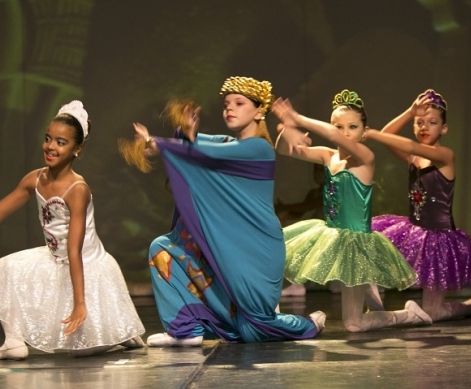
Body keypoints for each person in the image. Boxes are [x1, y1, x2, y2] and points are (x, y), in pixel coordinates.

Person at [122, 76, 324, 346]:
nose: (229, 108)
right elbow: (202, 145)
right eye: (226, 103)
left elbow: (206, 153)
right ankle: (185, 329)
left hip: (256, 249)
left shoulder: (259, 149)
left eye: (239, 103)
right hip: (227, 244)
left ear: (259, 110)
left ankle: (309, 324)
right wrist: (185, 134)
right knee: (162, 248)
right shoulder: (227, 142)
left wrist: (161, 143)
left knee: (255, 328)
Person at [0, 101, 145, 360]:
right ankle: (14, 341)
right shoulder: (34, 179)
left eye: (61, 142)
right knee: (4, 271)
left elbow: (75, 248)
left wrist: (80, 303)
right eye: (48, 139)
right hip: (54, 258)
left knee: (83, 349)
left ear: (77, 149)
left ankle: (119, 331)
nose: (50, 146)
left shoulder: (77, 190)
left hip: (86, 265)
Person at [272, 89, 432, 332]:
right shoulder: (328, 157)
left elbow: (331, 134)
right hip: (331, 235)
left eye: (352, 127)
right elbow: (285, 149)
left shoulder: (365, 158)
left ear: (364, 131)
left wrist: (298, 118)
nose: (345, 133)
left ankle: (408, 315)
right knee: (277, 254)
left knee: (353, 326)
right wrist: (287, 129)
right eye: (339, 126)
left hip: (357, 243)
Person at [364, 89, 471, 321]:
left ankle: (467, 307)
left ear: (443, 129)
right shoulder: (413, 158)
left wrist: (372, 134)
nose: (424, 127)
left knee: (433, 312)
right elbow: (392, 135)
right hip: (414, 229)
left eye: (432, 122)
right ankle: (375, 304)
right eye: (419, 123)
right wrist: (409, 112)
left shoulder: (445, 155)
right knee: (368, 241)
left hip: (438, 237)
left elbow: (409, 145)